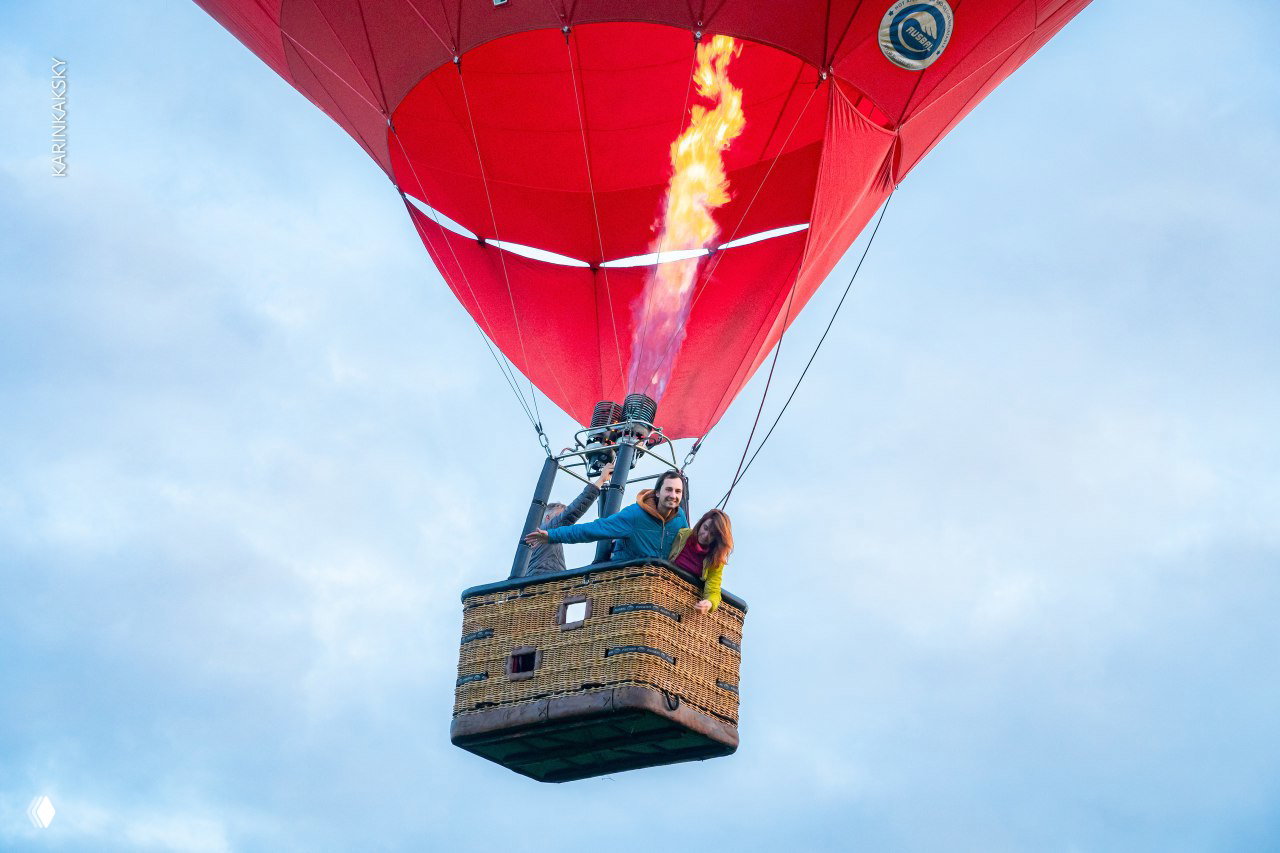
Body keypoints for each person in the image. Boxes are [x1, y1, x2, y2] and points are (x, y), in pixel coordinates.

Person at [524, 470, 687, 563]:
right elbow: (593, 529)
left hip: (661, 587)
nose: (673, 495)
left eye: (678, 491)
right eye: (669, 490)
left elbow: (689, 547)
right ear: (657, 492)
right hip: (630, 581)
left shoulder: (680, 519)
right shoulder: (635, 515)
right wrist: (552, 535)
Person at [527, 464, 614, 575]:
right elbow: (571, 513)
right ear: (548, 518)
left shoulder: (545, 541)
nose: (566, 524)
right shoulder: (547, 529)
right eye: (559, 515)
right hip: (545, 584)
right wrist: (601, 480)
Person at [668, 509, 733, 615]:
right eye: (705, 528)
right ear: (700, 523)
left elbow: (714, 589)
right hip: (665, 590)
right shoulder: (682, 535)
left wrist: (709, 603)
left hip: (684, 604)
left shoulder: (715, 560)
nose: (706, 535)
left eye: (712, 534)